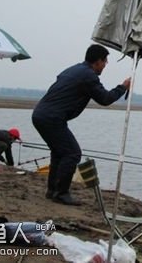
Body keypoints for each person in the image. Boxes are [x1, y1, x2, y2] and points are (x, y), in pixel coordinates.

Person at [32, 44, 131, 206]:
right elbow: (105, 99)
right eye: (105, 62)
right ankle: (61, 193)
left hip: (41, 115)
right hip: (51, 118)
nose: (105, 65)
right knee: (72, 154)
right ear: (98, 61)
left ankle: (52, 191)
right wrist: (123, 87)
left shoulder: (74, 70)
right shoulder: (88, 76)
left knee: (59, 153)